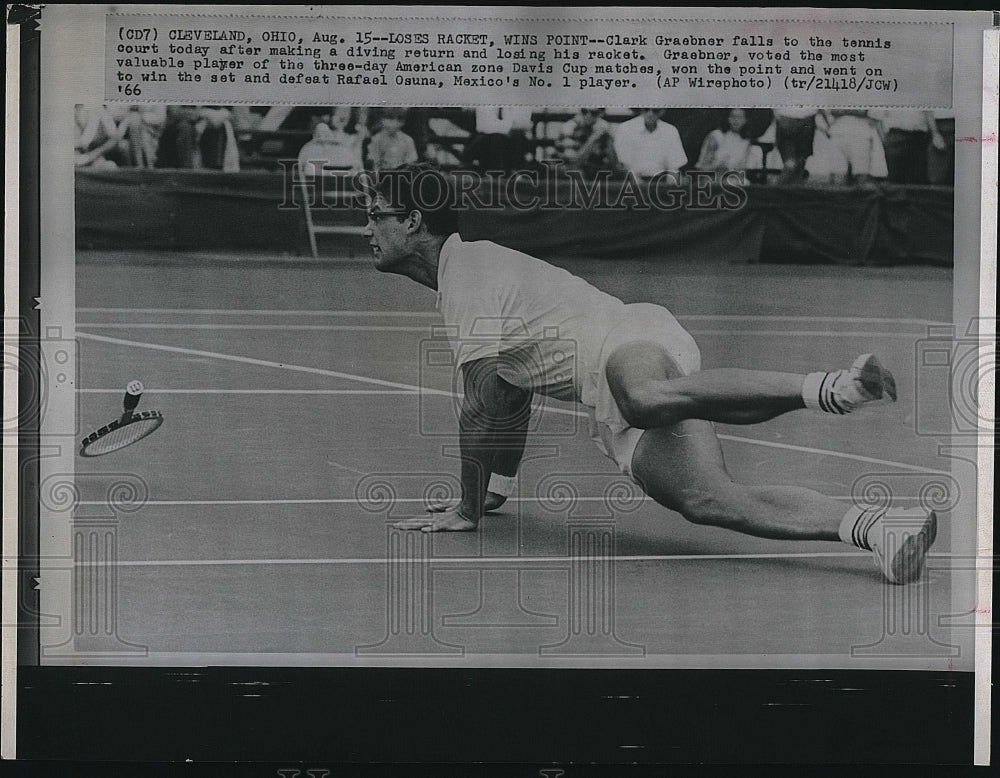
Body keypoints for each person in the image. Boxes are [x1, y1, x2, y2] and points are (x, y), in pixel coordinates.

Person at [369, 164, 937, 585]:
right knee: (711, 501)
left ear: (414, 220)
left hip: (629, 342)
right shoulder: (463, 283)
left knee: (641, 396)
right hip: (607, 399)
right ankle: (882, 529)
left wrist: (466, 510)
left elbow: (479, 404)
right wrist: (497, 490)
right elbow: (508, 392)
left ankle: (836, 388)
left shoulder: (466, 268)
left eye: (375, 215)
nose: (367, 229)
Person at [613, 108, 688, 178]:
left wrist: (671, 180)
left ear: (662, 111)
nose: (650, 114)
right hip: (632, 179)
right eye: (646, 109)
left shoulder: (670, 130)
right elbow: (623, 164)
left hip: (662, 180)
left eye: (655, 110)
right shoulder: (625, 129)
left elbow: (674, 165)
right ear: (641, 110)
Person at [555, 107, 618, 177]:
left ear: (601, 114)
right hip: (569, 169)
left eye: (594, 113)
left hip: (592, 168)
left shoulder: (603, 127)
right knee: (578, 173)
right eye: (584, 111)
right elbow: (573, 161)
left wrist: (608, 140)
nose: (588, 115)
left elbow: (613, 164)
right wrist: (593, 140)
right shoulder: (570, 127)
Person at [694, 108, 760, 174]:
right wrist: (718, 167)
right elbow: (702, 166)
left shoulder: (746, 141)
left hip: (736, 179)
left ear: (745, 120)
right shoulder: (716, 135)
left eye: (740, 117)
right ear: (727, 118)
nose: (736, 120)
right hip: (714, 179)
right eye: (733, 117)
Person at [367, 107, 420, 172]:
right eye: (388, 118)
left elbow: (411, 162)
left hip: (402, 175)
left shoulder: (407, 140)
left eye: (394, 119)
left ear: (402, 122)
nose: (390, 123)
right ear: (382, 120)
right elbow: (374, 162)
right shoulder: (377, 139)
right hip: (383, 175)